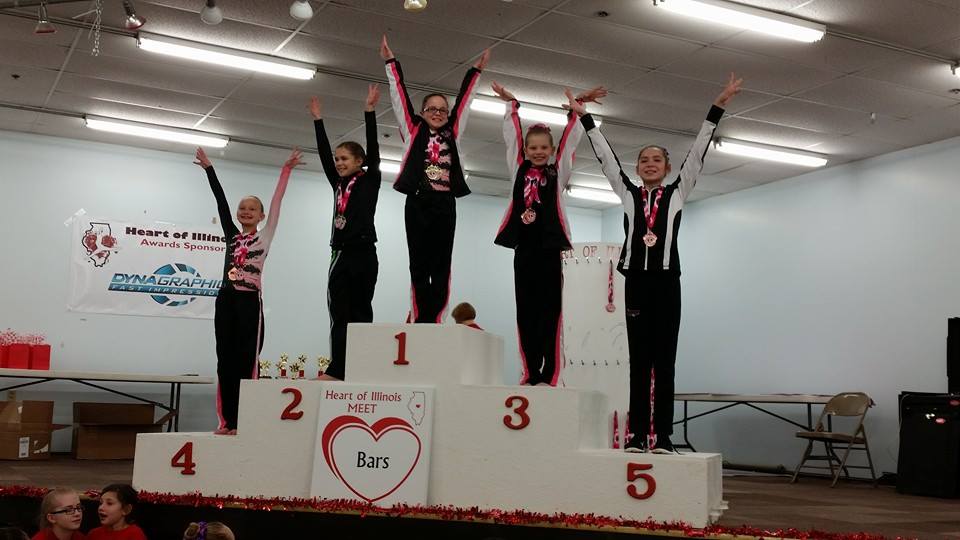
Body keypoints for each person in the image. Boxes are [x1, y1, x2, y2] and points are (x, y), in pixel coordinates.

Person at [568, 73, 743, 453]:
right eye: (644, 160)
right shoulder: (627, 193)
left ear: (667, 166)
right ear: (636, 168)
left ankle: (662, 436)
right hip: (636, 283)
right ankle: (636, 435)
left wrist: (717, 107)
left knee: (665, 363)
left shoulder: (678, 192)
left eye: (656, 160)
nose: (649, 164)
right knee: (638, 362)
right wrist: (585, 118)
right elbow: (606, 159)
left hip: (666, 284)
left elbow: (698, 153)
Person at [490, 83, 604, 386]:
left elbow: (570, 141)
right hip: (524, 250)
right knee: (525, 312)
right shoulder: (517, 169)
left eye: (544, 148)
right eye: (533, 148)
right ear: (526, 151)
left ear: (551, 151)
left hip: (550, 250)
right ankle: (530, 370)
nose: (538, 152)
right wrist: (511, 106)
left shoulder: (558, 171)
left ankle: (550, 372)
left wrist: (577, 110)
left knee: (550, 313)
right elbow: (511, 138)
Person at [380, 34, 489, 324]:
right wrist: (391, 62)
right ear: (422, 112)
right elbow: (399, 98)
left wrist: (475, 71)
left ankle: (436, 316)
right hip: (417, 202)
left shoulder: (453, 131)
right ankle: (420, 316)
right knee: (419, 263)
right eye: (432, 109)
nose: (438, 113)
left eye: (443, 109)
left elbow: (465, 102)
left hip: (445, 203)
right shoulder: (413, 129)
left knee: (441, 264)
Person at [195, 146, 303, 434]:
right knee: (224, 361)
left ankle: (242, 420)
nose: (246, 212)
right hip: (226, 299)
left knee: (246, 362)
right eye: (242, 208)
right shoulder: (231, 235)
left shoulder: (265, 236)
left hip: (249, 303)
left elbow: (277, 201)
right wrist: (209, 169)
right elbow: (220, 201)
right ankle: (226, 420)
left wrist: (287, 169)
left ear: (262, 215)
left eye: (252, 209)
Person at [309, 85, 382, 381]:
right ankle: (337, 369)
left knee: (362, 313)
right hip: (340, 254)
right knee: (340, 314)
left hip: (365, 253)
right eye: (337, 159)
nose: (338, 163)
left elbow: (374, 149)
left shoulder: (370, 180)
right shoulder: (337, 184)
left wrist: (369, 111)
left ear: (359, 161)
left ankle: (362, 368)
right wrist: (318, 121)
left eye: (344, 159)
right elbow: (324, 156)